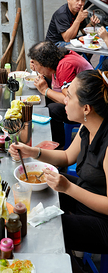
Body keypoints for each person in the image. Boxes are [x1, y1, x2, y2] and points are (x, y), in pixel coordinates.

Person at [9, 69, 108, 265]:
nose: (64, 100)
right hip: (86, 196)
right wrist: (32, 152)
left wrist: (69, 188)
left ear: (86, 108)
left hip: (103, 221)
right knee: (39, 186)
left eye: (69, 97)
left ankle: (67, 265)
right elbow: (66, 156)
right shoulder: (87, 125)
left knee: (46, 227)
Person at [28, 41, 93, 147]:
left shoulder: (64, 66)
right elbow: (55, 80)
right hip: (79, 99)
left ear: (46, 64)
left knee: (53, 110)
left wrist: (45, 90)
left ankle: (58, 146)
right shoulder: (58, 57)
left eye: (35, 63)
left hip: (87, 108)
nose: (33, 65)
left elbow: (70, 99)